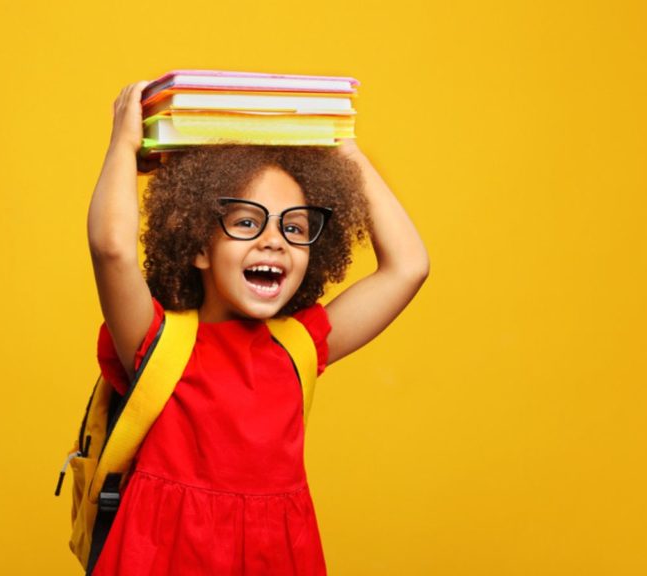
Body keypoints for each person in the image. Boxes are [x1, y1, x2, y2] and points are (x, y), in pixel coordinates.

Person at [87, 80, 429, 575]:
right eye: (247, 223)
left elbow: (408, 267)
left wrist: (341, 144)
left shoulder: (299, 344)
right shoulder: (155, 339)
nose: (274, 241)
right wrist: (123, 145)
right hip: (163, 557)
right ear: (198, 247)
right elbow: (112, 248)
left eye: (293, 227)